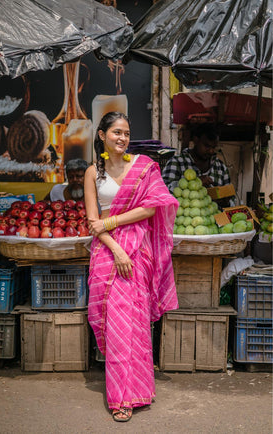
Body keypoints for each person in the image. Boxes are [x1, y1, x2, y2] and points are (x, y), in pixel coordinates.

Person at [84, 112, 179, 422]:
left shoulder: (143, 168)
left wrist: (110, 222)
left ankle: (137, 390)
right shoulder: (91, 174)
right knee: (115, 327)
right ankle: (119, 396)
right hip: (108, 253)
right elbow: (92, 223)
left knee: (134, 322)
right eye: (116, 132)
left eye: (126, 132)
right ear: (102, 136)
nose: (122, 138)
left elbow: (152, 208)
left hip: (138, 249)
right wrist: (117, 250)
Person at [162, 123, 231, 192]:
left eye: (214, 147)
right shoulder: (176, 163)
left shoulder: (220, 168)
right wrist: (194, 183)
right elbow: (163, 191)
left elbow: (231, 198)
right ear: (196, 140)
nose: (211, 151)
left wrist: (225, 201)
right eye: (207, 146)